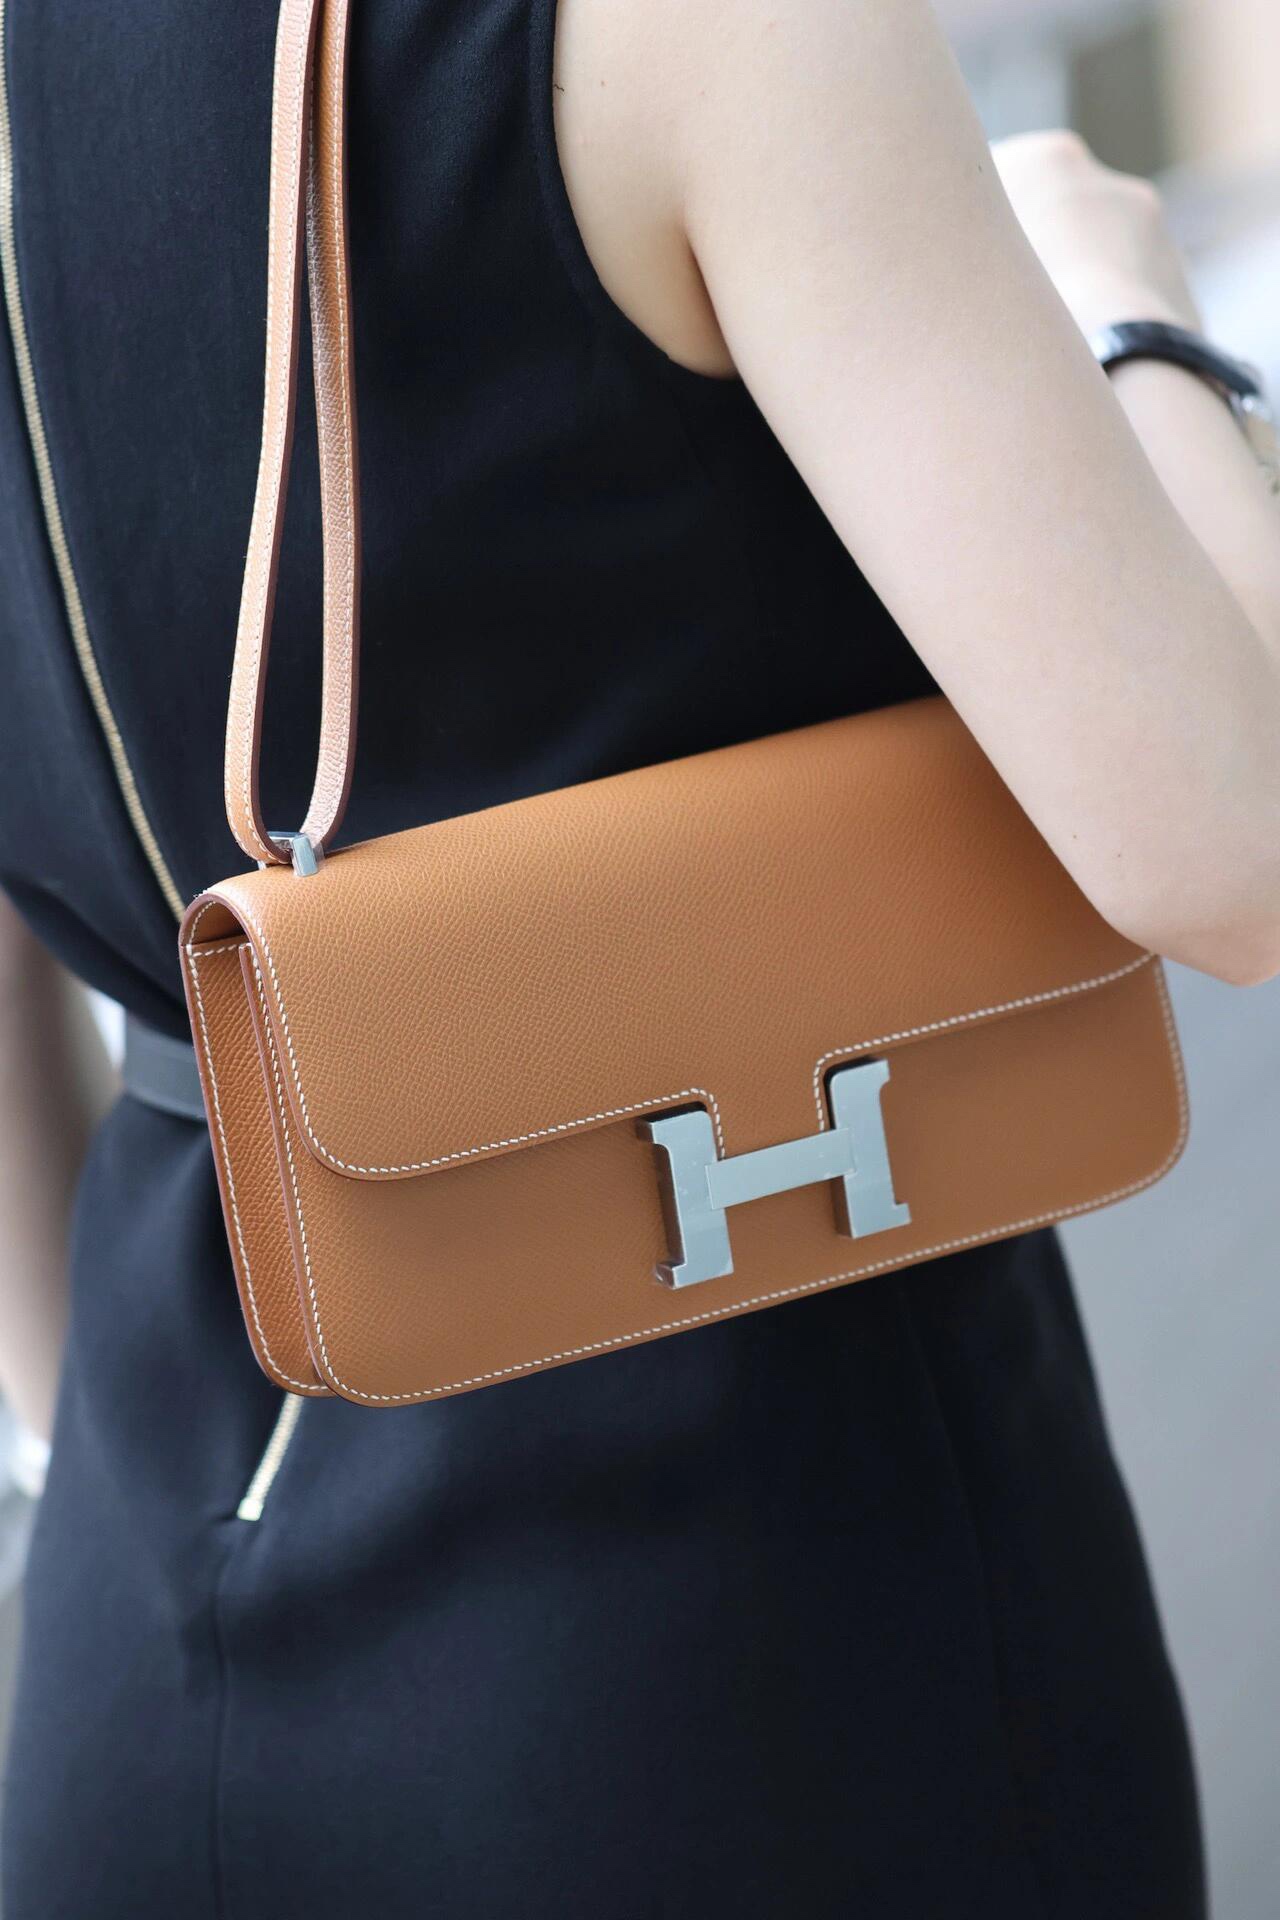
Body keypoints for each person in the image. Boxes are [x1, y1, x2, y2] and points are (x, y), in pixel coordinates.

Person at [1, 0, 1277, 1912]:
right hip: (771, 1635)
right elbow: (1233, 844)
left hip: (137, 1633)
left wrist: (125, 1455)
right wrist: (1135, 318)